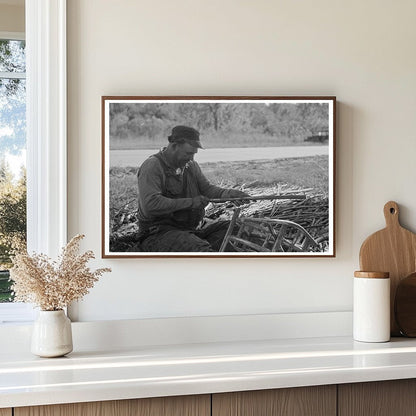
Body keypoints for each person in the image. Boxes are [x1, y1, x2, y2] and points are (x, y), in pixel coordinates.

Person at [136, 125, 250, 252]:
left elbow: (207, 189)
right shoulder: (152, 166)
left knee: (237, 229)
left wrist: (228, 194)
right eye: (188, 153)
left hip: (190, 232)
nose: (191, 158)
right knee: (200, 250)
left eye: (194, 154)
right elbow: (151, 205)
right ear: (174, 146)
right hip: (158, 234)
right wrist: (191, 202)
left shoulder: (191, 166)